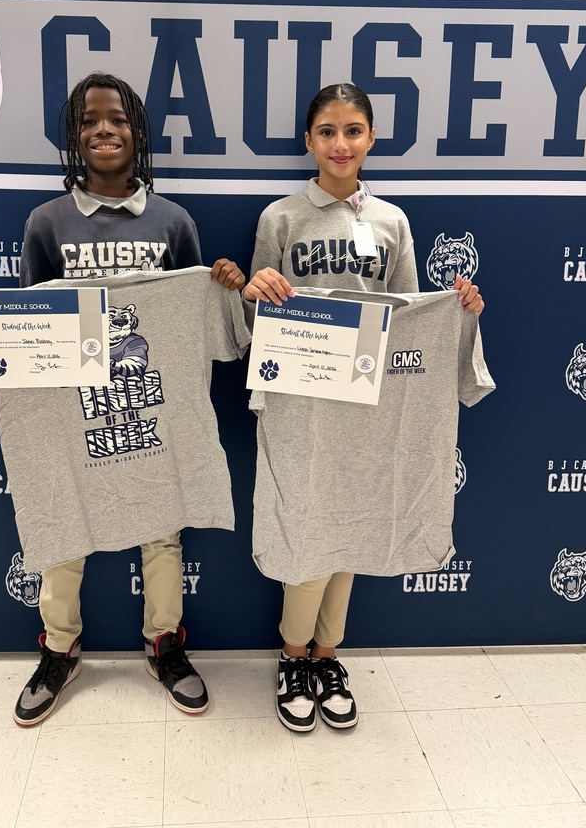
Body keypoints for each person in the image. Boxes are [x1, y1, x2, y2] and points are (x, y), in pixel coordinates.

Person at [0, 72, 245, 725]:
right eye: (89, 121)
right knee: (62, 520)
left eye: (116, 119)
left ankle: (164, 644)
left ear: (139, 132)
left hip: (148, 399)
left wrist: (224, 284)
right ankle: (60, 649)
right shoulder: (46, 223)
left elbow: (196, 315)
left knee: (161, 528)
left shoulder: (174, 221)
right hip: (69, 405)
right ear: (74, 137)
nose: (103, 130)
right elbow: (27, 323)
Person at [242, 83, 484, 732]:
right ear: (309, 141)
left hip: (369, 404)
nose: (340, 143)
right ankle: (292, 655)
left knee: (351, 523)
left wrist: (457, 311)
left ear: (371, 139)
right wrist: (255, 288)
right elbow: (252, 314)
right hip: (300, 403)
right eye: (327, 131)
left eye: (353, 130)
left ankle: (327, 655)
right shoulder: (281, 218)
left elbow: (407, 319)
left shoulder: (392, 222)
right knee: (307, 526)